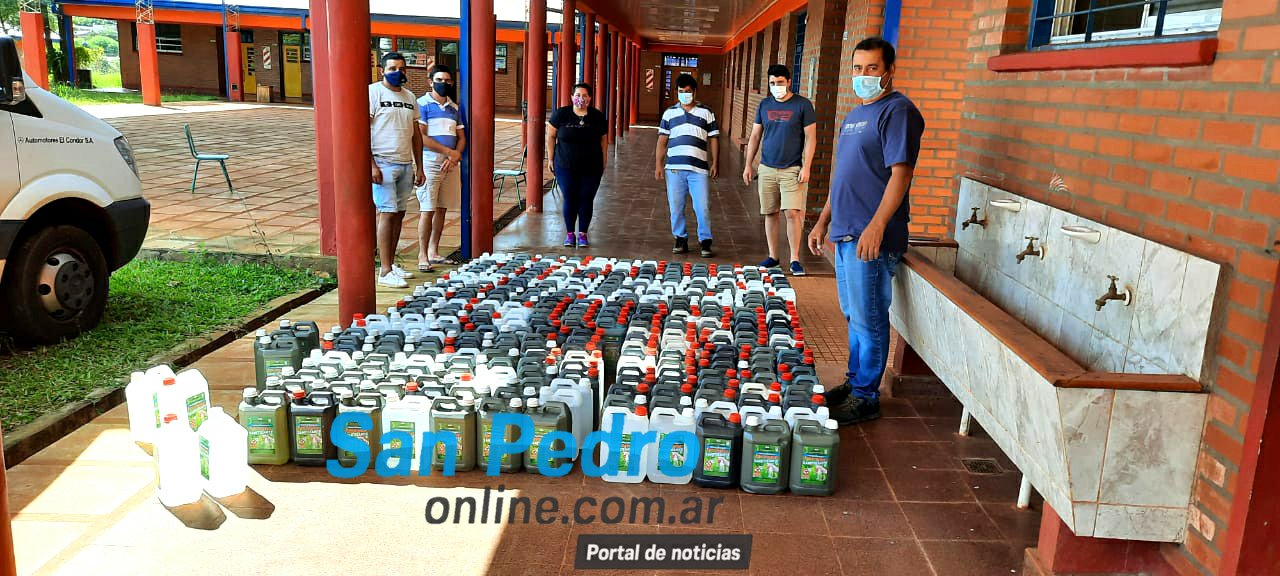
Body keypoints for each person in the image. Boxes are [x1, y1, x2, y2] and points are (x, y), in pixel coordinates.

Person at [807, 37, 925, 425]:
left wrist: (877, 226)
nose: (863, 76)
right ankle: (855, 381)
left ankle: (866, 396)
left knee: (870, 316)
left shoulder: (898, 111)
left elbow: (901, 173)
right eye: (857, 69)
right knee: (853, 313)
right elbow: (843, 176)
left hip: (870, 236)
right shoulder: (855, 115)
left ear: (889, 71)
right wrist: (823, 220)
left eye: (872, 68)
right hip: (844, 232)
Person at [742, 64, 817, 276]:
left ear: (789, 82)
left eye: (780, 83)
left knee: (792, 213)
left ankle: (794, 259)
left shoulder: (802, 105)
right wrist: (749, 164)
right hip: (766, 168)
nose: (776, 87)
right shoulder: (764, 105)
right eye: (772, 83)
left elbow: (811, 138)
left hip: (792, 168)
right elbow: (755, 136)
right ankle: (773, 256)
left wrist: (807, 166)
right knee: (770, 213)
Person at [369, 51, 425, 288]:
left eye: (401, 68)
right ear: (383, 70)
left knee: (399, 214)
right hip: (383, 162)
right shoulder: (373, 92)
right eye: (392, 68)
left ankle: (391, 263)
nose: (397, 73)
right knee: (387, 213)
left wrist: (419, 166)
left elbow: (416, 135)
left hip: (404, 163)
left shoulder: (409, 96)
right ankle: (384, 271)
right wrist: (371, 164)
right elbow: (363, 130)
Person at [656, 73, 719, 258]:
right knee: (676, 206)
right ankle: (680, 238)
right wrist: (658, 165)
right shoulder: (669, 113)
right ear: (677, 92)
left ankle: (705, 241)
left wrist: (715, 162)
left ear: (695, 92)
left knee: (702, 206)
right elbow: (662, 141)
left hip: (698, 170)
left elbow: (714, 138)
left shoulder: (706, 112)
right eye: (681, 91)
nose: (685, 94)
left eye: (688, 92)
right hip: (674, 169)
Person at [415, 63, 467, 270]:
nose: (443, 84)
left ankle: (433, 251)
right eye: (439, 80)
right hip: (430, 161)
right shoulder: (423, 104)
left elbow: (461, 136)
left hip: (450, 164)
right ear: (430, 82)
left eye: (447, 81)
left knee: (442, 208)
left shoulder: (454, 109)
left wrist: (455, 157)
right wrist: (449, 153)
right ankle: (422, 254)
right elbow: (421, 136)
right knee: (427, 208)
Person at [547, 83, 609, 248]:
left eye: (584, 96)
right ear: (572, 97)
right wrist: (550, 158)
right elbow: (551, 136)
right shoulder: (561, 114)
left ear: (589, 98)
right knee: (570, 196)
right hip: (565, 164)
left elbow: (603, 140)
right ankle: (569, 234)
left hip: (592, 166)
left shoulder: (597, 116)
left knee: (586, 198)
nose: (580, 98)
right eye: (577, 95)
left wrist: (604, 161)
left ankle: (583, 233)